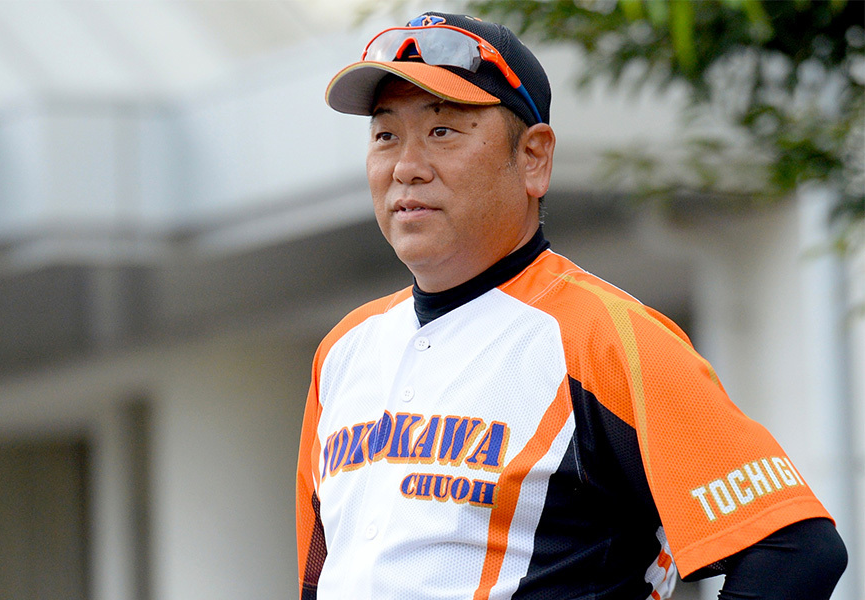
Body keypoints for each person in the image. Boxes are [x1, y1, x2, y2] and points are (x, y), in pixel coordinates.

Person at [296, 11, 847, 600]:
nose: (406, 167)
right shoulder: (343, 350)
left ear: (534, 157)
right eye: (385, 136)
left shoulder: (607, 338)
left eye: (442, 131)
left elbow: (796, 549)